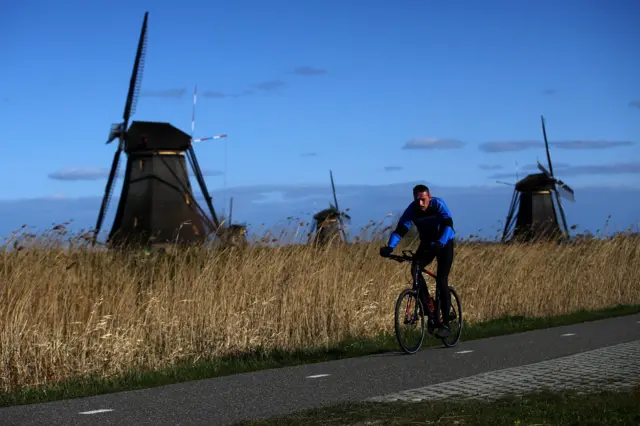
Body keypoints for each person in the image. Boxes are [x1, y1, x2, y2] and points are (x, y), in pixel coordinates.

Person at [379, 184, 455, 338]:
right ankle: (429, 306)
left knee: (441, 279)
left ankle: (445, 324)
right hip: (427, 243)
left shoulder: (438, 205)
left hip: (444, 243)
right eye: (417, 200)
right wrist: (390, 247)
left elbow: (448, 226)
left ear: (429, 197)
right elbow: (401, 229)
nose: (420, 203)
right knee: (415, 269)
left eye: (423, 200)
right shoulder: (412, 209)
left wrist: (440, 243)